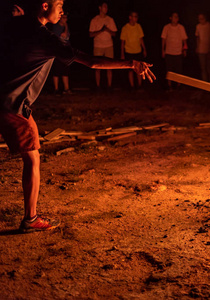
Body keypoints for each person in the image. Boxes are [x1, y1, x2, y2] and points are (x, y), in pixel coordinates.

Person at [0, 0, 155, 233]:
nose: (62, 9)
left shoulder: (17, 23)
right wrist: (131, 64)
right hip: (12, 105)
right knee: (32, 157)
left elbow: (14, 18)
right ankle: (31, 220)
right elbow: (91, 61)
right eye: (59, 3)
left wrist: (15, 14)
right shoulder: (46, 39)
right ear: (44, 5)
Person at [89, 1, 117, 92]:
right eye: (104, 7)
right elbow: (91, 34)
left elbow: (114, 33)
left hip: (109, 45)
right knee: (97, 66)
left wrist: (107, 29)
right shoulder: (94, 20)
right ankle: (98, 86)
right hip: (98, 45)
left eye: (107, 7)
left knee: (110, 66)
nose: (106, 9)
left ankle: (109, 86)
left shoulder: (110, 19)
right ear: (100, 8)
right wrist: (101, 30)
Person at [120, 11, 147, 91]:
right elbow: (122, 42)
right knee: (130, 70)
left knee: (139, 69)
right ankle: (132, 86)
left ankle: (139, 85)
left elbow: (141, 39)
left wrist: (144, 49)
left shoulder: (138, 26)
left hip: (137, 51)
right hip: (129, 51)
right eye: (134, 16)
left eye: (136, 16)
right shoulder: (125, 28)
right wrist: (122, 53)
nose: (135, 18)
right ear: (130, 17)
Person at [161, 12, 188, 90]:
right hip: (169, 52)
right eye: (174, 17)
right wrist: (163, 50)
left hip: (178, 52)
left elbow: (184, 40)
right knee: (169, 70)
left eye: (177, 17)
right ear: (170, 18)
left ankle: (178, 85)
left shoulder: (181, 27)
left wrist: (185, 49)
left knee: (178, 69)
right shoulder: (166, 27)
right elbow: (163, 39)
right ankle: (169, 85)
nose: (176, 19)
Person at [50, 13, 72, 95]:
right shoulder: (56, 27)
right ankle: (56, 89)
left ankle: (66, 89)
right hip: (58, 51)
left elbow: (67, 38)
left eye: (66, 17)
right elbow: (64, 36)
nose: (65, 19)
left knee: (65, 70)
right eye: (63, 17)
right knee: (56, 70)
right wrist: (66, 26)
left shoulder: (65, 27)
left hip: (66, 50)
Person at [195, 13, 210, 82]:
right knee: (203, 68)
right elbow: (197, 37)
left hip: (209, 50)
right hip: (201, 50)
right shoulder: (198, 26)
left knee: (209, 68)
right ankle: (205, 83)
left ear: (205, 18)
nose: (200, 20)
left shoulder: (209, 26)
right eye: (199, 19)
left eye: (202, 18)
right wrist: (197, 47)